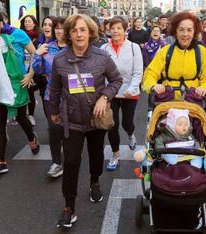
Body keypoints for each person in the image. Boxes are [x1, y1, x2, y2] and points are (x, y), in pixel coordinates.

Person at [50, 14, 122, 228]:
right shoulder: (60, 59)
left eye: (83, 30)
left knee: (96, 155)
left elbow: (116, 79)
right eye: (74, 30)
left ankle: (95, 181)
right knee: (71, 162)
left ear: (90, 32)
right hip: (71, 120)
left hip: (96, 119)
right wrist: (54, 110)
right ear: (69, 34)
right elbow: (54, 88)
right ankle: (69, 207)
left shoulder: (102, 57)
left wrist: (105, 96)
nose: (79, 34)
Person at [0, 2, 39, 174]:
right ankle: (1, 161)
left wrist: (30, 74)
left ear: (0, 23)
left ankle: (32, 137)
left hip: (15, 85)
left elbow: (35, 54)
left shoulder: (18, 34)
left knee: (21, 118)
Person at [100, 16, 143, 171]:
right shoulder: (104, 49)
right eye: (113, 28)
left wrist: (131, 89)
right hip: (110, 93)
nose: (116, 31)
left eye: (119, 28)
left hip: (129, 93)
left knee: (127, 123)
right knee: (112, 125)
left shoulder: (134, 48)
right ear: (109, 30)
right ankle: (115, 155)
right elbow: (100, 72)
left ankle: (131, 135)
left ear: (126, 30)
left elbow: (138, 72)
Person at [143, 12, 206, 101]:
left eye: (189, 30)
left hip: (193, 100)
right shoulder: (165, 51)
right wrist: (153, 85)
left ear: (194, 32)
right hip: (167, 101)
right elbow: (150, 73)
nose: (185, 34)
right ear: (175, 31)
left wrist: (204, 87)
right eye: (181, 30)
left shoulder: (202, 52)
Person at [32, 16, 68, 178]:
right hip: (50, 96)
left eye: (62, 27)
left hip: (71, 98)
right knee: (54, 129)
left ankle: (70, 158)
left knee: (67, 131)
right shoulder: (47, 47)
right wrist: (37, 55)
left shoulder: (74, 48)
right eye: (57, 28)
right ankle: (56, 163)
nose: (59, 30)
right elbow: (38, 70)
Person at [22, 15, 55, 126]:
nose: (47, 27)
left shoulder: (57, 43)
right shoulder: (38, 41)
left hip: (52, 82)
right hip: (38, 76)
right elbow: (33, 59)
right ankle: (31, 115)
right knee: (45, 106)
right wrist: (30, 75)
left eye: (50, 25)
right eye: (45, 24)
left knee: (52, 110)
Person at [20, 15, 42, 126]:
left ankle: (31, 115)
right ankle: (21, 114)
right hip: (22, 69)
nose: (27, 24)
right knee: (24, 92)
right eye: (25, 22)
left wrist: (31, 74)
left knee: (30, 92)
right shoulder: (18, 36)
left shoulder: (39, 38)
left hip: (34, 70)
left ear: (34, 24)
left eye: (29, 21)